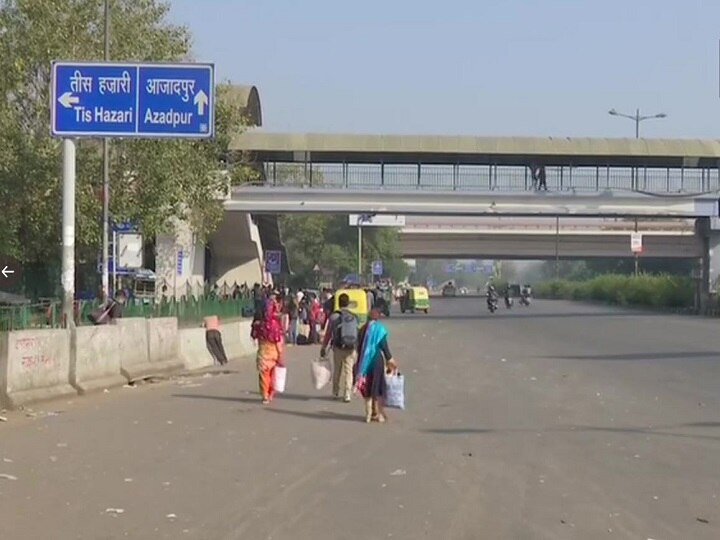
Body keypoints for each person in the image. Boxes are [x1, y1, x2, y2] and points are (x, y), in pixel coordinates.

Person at [354, 299, 397, 423]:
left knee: (367, 385)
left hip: (364, 361)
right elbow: (384, 347)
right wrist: (391, 360)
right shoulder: (379, 329)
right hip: (377, 360)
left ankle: (368, 413)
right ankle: (376, 412)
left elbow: (358, 346)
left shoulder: (362, 329)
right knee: (377, 386)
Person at [320, 293, 359, 403]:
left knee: (337, 369)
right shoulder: (354, 316)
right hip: (351, 347)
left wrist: (324, 347)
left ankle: (335, 391)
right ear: (348, 303)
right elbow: (357, 333)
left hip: (337, 347)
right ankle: (347, 394)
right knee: (349, 371)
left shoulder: (334, 317)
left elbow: (328, 334)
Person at [250, 292, 285, 405]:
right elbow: (278, 341)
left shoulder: (259, 324)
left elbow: (253, 335)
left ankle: (264, 395)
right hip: (274, 352)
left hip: (263, 352)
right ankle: (270, 394)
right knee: (273, 375)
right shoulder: (275, 324)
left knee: (264, 375)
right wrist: (280, 355)